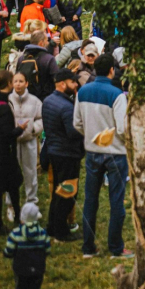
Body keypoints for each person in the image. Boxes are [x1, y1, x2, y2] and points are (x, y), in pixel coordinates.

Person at [73, 53, 130, 258]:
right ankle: (115, 247)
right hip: (115, 153)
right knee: (116, 200)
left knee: (90, 200)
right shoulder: (116, 95)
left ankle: (88, 247)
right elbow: (122, 128)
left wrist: (90, 136)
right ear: (112, 70)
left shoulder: (83, 91)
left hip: (92, 151)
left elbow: (77, 123)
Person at [40, 69, 82, 242]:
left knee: (58, 191)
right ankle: (61, 230)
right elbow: (73, 132)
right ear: (63, 84)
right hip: (67, 154)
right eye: (73, 82)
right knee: (67, 194)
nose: (76, 85)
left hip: (54, 151)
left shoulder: (48, 100)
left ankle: (52, 226)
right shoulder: (66, 107)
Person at [0, 71, 24, 235]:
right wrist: (20, 129)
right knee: (10, 186)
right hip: (4, 153)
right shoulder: (3, 107)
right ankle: (3, 223)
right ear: (9, 83)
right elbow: (7, 133)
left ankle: (0, 222)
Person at [8, 72, 43, 206]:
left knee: (31, 171)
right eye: (15, 81)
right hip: (13, 142)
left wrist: (34, 129)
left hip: (29, 141)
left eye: (21, 81)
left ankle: (32, 200)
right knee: (11, 172)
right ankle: (11, 203)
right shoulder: (8, 100)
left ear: (26, 83)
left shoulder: (35, 101)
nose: (18, 84)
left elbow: (41, 118)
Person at [3, 202, 50, 289]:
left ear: (21, 218)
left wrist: (6, 253)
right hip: (38, 269)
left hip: (21, 270)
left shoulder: (15, 233)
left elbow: (9, 251)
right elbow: (47, 249)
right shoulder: (43, 233)